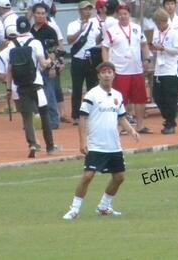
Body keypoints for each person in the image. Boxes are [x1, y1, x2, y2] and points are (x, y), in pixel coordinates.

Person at [62, 61, 139, 220]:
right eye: (103, 72)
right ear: (99, 76)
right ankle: (74, 209)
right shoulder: (92, 94)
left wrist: (131, 130)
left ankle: (104, 206)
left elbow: (121, 117)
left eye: (109, 72)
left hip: (114, 146)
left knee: (119, 177)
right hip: (96, 145)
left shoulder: (118, 95)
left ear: (114, 75)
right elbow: (83, 118)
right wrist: (82, 141)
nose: (106, 74)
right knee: (88, 176)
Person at [5, 16, 59, 157]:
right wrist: (51, 59)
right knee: (44, 114)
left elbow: (9, 70)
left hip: (21, 86)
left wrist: (9, 88)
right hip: (36, 85)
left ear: (17, 28)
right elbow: (43, 64)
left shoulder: (11, 45)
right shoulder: (35, 42)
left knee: (27, 117)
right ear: (29, 27)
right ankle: (50, 146)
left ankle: (33, 144)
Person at [102, 4, 152, 134]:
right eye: (121, 14)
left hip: (136, 69)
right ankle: (124, 126)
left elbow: (144, 44)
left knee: (140, 99)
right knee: (120, 100)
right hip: (120, 70)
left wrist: (147, 59)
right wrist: (107, 65)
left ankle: (140, 126)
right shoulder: (112, 30)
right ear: (117, 16)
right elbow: (105, 47)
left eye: (125, 14)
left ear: (129, 15)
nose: (123, 16)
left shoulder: (136, 28)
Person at [67, 1, 101, 126]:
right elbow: (69, 40)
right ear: (79, 11)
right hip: (77, 59)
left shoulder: (95, 23)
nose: (87, 11)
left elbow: (97, 39)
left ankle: (91, 113)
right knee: (77, 88)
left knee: (92, 88)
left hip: (91, 59)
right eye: (85, 9)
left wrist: (102, 34)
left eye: (89, 9)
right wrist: (80, 31)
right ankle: (75, 115)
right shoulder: (73, 24)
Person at [150, 8, 178, 134]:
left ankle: (170, 122)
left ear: (165, 21)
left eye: (160, 23)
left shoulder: (174, 32)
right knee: (157, 96)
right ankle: (169, 116)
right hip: (159, 69)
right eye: (157, 23)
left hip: (170, 70)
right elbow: (154, 43)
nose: (159, 26)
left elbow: (177, 51)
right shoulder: (156, 31)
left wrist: (164, 48)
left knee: (170, 98)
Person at [30, 2, 60, 130]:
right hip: (33, 68)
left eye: (43, 13)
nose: (40, 16)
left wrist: (52, 67)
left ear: (46, 14)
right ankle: (39, 121)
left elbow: (53, 51)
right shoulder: (30, 31)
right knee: (35, 96)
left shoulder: (50, 31)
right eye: (38, 13)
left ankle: (53, 120)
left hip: (46, 68)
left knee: (49, 94)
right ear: (33, 14)